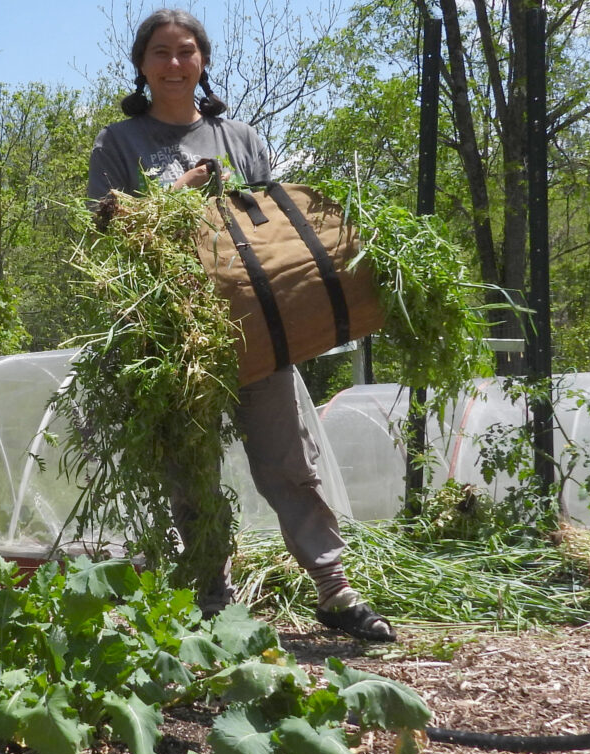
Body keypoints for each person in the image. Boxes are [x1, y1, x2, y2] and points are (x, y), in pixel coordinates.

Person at [86, 8, 395, 642]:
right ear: (142, 65)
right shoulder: (119, 143)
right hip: (173, 338)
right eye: (162, 53)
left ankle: (334, 589)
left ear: (203, 61)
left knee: (287, 461)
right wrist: (177, 197)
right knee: (190, 470)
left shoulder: (241, 138)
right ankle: (209, 597)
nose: (175, 64)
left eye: (187, 52)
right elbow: (106, 229)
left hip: (255, 328)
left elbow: (274, 235)